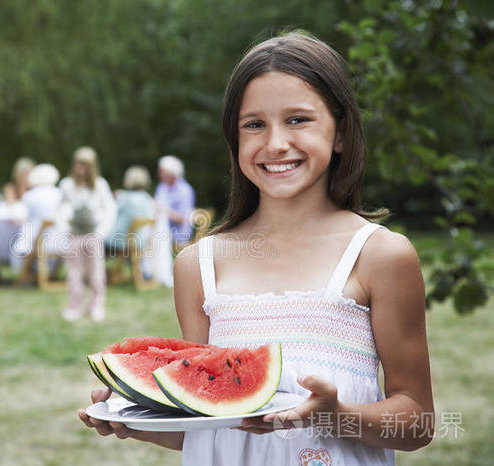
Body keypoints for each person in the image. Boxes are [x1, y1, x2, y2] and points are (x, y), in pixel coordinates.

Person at [78, 31, 434, 464]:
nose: (275, 143)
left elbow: (417, 424)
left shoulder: (380, 255)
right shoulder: (198, 264)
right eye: (254, 125)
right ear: (235, 139)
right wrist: (134, 418)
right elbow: (210, 423)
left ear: (340, 133)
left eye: (298, 119)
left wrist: (335, 416)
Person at [58, 146, 116, 322]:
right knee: (74, 273)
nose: (80, 169)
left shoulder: (100, 185)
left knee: (96, 274)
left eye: (84, 165)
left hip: (93, 235)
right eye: (77, 164)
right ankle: (74, 306)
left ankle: (96, 306)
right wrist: (64, 229)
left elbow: (110, 209)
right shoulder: (67, 185)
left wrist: (100, 233)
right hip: (74, 235)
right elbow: (61, 209)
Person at [104, 165, 156, 252]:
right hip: (140, 242)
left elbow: (111, 215)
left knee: (94, 240)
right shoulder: (148, 199)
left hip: (119, 242)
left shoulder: (123, 199)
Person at [17, 163, 62, 257]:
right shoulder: (59, 194)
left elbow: (22, 217)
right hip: (60, 241)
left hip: (37, 241)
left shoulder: (29, 195)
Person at [154, 155, 195, 247]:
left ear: (171, 172)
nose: (159, 174)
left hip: (178, 235)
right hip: (162, 231)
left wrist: (162, 210)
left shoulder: (184, 190)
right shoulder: (162, 187)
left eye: (162, 171)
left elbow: (182, 219)